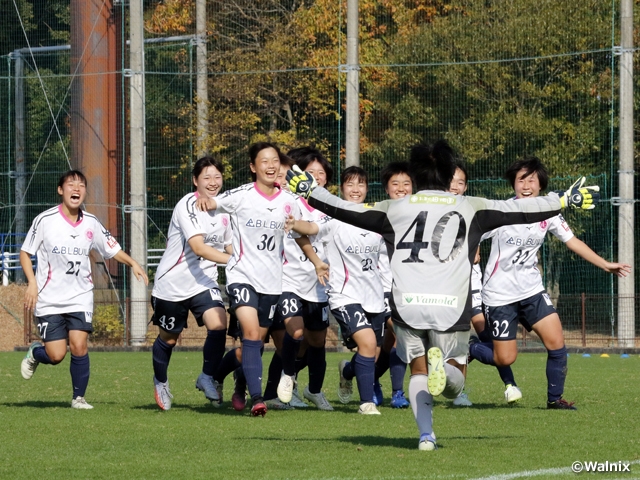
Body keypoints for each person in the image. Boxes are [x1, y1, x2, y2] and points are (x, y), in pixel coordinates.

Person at [287, 140, 600, 450]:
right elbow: (518, 208)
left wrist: (310, 190)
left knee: (418, 372)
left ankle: (426, 436)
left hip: (408, 307)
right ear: (450, 173)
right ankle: (446, 373)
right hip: (451, 307)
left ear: (415, 174)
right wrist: (564, 199)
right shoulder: (472, 206)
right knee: (454, 384)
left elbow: (345, 209)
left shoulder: (393, 208)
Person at [469, 157, 631, 410]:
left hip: (532, 291)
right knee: (505, 357)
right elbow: (475, 230)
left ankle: (555, 400)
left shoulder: (548, 212)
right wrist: (474, 248)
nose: (526, 185)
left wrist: (605, 264)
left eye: (531, 180)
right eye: (521, 179)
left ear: (541, 185)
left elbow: (572, 241)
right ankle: (470, 349)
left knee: (557, 344)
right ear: (513, 183)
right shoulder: (503, 211)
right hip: (499, 295)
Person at [20, 170, 148, 409]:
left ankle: (78, 398)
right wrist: (32, 283)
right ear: (61, 190)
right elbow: (25, 253)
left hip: (80, 297)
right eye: (70, 184)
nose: (76, 189)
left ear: (85, 192)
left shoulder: (91, 223)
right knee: (56, 355)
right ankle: (36, 352)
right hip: (49, 298)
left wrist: (132, 263)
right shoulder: (45, 220)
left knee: (79, 344)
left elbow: (112, 249)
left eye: (81, 185)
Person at [196, 142, 298, 417]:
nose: (271, 165)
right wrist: (207, 201)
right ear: (253, 167)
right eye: (264, 161)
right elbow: (215, 201)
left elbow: (304, 229)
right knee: (251, 334)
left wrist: (317, 261)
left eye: (274, 160)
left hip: (272, 283)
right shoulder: (241, 195)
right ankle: (257, 399)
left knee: (253, 347)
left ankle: (235, 382)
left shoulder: (289, 201)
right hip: (241, 276)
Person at [292, 166, 387, 415]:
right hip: (345, 295)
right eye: (350, 184)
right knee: (366, 343)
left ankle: (347, 371)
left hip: (374, 296)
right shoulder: (333, 217)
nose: (355, 190)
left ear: (367, 188)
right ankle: (367, 403)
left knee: (373, 354)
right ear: (341, 189)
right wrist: (295, 223)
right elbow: (311, 228)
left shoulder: (376, 216)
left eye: (361, 184)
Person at [149, 157, 233, 411]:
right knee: (169, 339)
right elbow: (199, 247)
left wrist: (238, 259)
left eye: (217, 177)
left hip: (203, 282)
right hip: (172, 284)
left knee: (219, 323)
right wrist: (236, 261)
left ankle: (207, 376)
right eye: (206, 177)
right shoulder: (187, 204)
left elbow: (230, 245)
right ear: (195, 181)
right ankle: (161, 381)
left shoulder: (224, 209)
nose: (213, 182)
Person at [267, 149, 334, 411]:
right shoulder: (286, 202)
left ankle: (314, 391)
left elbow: (316, 230)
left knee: (316, 342)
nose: (315, 177)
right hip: (288, 281)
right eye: (310, 173)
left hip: (318, 286)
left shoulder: (329, 208)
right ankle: (282, 386)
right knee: (293, 334)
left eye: (321, 173)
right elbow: (302, 231)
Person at [450, 163, 521, 406]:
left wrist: (476, 243)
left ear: (466, 186)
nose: (455, 186)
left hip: (471, 282)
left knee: (488, 337)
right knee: (449, 342)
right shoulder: (434, 207)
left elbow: (485, 227)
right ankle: (457, 392)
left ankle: (510, 385)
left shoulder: (474, 206)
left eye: (460, 182)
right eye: (451, 181)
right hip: (445, 286)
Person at [373, 162, 412, 408]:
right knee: (401, 336)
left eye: (406, 183)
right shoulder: (377, 215)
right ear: (386, 189)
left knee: (389, 347)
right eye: (395, 184)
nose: (401, 188)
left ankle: (355, 374)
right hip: (383, 291)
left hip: (409, 291)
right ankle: (397, 392)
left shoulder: (420, 216)